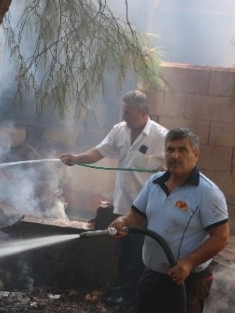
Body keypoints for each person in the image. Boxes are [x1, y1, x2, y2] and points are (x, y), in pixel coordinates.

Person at [59, 90, 168, 306]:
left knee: (139, 253)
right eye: (123, 111)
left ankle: (134, 297)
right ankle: (124, 293)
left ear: (144, 113)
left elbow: (173, 167)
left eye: (128, 113)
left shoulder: (161, 136)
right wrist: (77, 158)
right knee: (124, 251)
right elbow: (98, 152)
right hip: (122, 205)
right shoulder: (120, 130)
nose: (124, 116)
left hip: (146, 207)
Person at [108, 127, 230, 313]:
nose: (175, 155)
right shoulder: (154, 183)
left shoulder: (208, 193)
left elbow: (221, 237)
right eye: (170, 149)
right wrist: (122, 222)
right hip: (152, 274)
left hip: (186, 281)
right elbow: (135, 217)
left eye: (182, 150)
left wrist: (189, 262)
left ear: (195, 155)